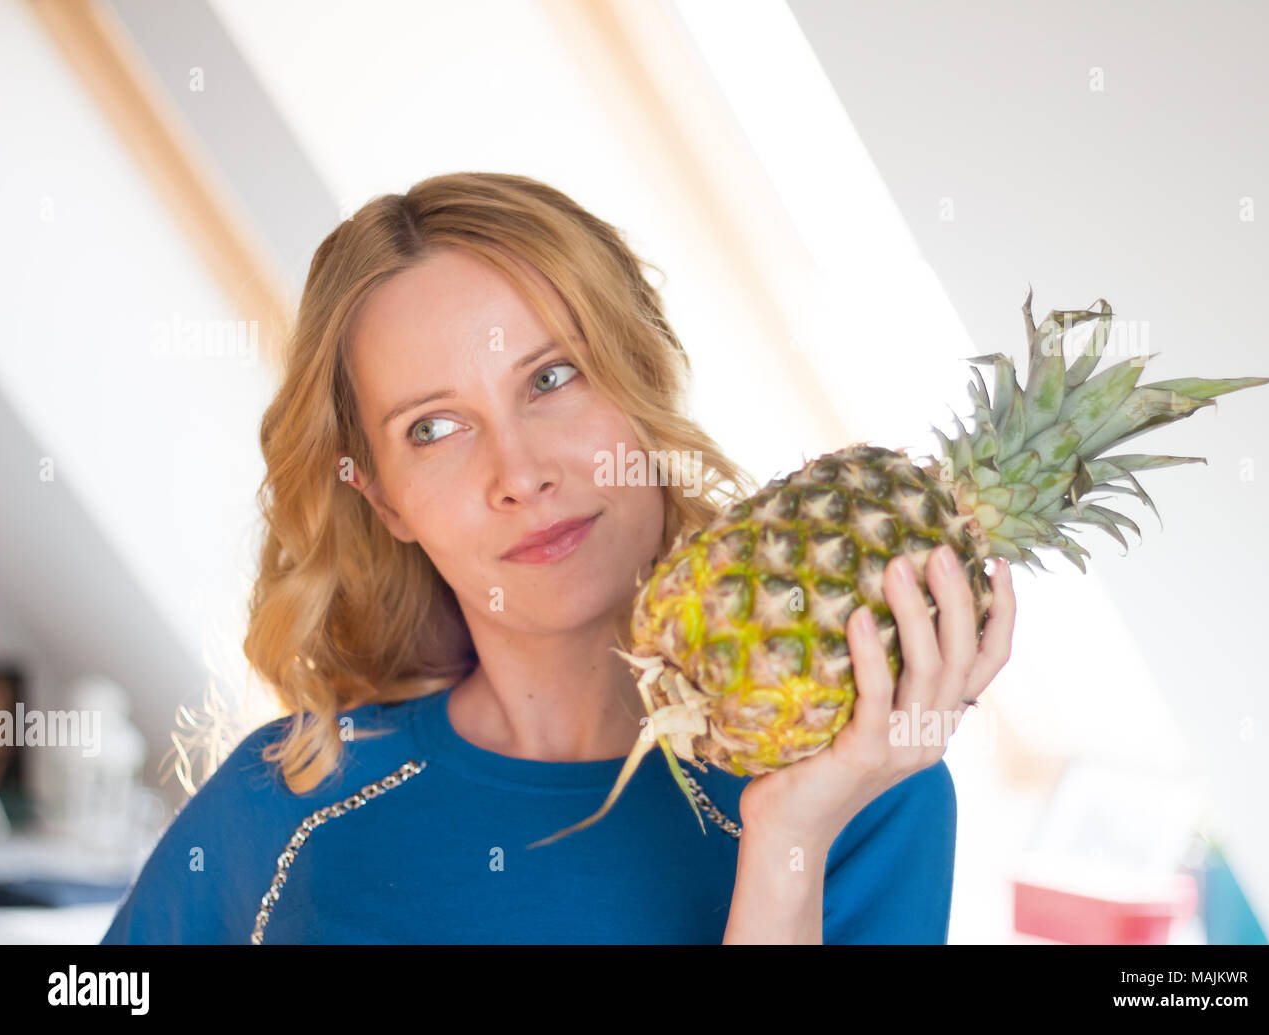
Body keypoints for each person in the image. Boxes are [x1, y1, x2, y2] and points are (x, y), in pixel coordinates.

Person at [100, 172, 1015, 945]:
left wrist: (789, 840)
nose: (520, 473)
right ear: (383, 500)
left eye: (552, 378)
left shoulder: (869, 787)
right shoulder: (293, 793)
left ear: (640, 378)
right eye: (434, 428)